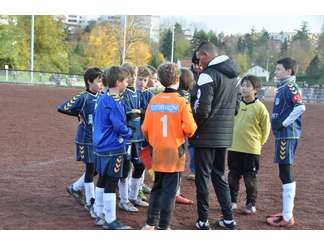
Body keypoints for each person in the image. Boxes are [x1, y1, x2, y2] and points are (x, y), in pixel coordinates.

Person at [189, 42, 240, 230]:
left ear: (205, 55)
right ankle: (228, 219)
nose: (197, 61)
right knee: (219, 176)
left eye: (198, 57)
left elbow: (202, 110)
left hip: (205, 136)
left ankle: (202, 220)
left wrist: (194, 128)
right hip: (223, 136)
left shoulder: (207, 75)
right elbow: (236, 108)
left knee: (202, 177)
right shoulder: (235, 76)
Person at [141, 63, 197, 230]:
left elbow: (144, 128)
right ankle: (164, 226)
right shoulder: (181, 102)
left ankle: (150, 223)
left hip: (157, 150)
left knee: (157, 187)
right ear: (178, 79)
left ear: (159, 79)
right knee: (170, 191)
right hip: (175, 151)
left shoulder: (154, 100)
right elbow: (191, 129)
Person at [57, 67, 103, 218]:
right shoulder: (83, 97)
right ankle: (91, 201)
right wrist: (78, 113)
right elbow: (62, 107)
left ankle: (75, 187)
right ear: (89, 82)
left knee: (96, 168)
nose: (101, 83)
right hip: (85, 139)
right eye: (98, 81)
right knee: (91, 168)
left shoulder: (102, 96)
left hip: (97, 139)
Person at [266, 57, 306, 227]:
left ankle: (288, 216)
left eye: (279, 69)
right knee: (284, 172)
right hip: (284, 136)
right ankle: (286, 212)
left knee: (286, 172)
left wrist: (283, 123)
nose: (276, 72)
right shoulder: (283, 87)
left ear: (289, 71)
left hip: (287, 136)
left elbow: (300, 107)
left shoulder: (290, 87)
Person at [92, 66, 132, 230]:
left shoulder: (103, 98)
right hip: (113, 146)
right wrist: (130, 131)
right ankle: (110, 219)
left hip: (100, 146)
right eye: (126, 80)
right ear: (118, 82)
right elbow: (119, 127)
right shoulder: (115, 103)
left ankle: (99, 213)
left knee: (102, 179)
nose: (127, 83)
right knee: (111, 181)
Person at [227, 75, 271, 215]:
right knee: (232, 177)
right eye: (243, 85)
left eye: (248, 86)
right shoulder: (236, 104)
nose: (244, 88)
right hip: (234, 147)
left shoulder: (260, 108)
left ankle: (250, 204)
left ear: (256, 89)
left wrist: (258, 144)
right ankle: (232, 201)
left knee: (249, 179)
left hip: (251, 150)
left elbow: (266, 129)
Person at [117, 63, 148, 212]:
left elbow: (143, 110)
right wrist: (134, 113)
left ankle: (134, 196)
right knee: (125, 168)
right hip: (126, 138)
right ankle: (123, 200)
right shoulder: (123, 94)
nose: (134, 79)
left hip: (137, 137)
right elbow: (125, 114)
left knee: (140, 165)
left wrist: (141, 111)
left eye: (134, 75)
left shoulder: (138, 93)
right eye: (131, 76)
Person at [174, 68, 196, 205]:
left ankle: (174, 191)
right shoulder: (185, 95)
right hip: (178, 135)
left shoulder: (176, 93)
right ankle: (175, 192)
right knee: (177, 165)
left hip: (169, 134)